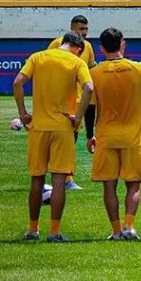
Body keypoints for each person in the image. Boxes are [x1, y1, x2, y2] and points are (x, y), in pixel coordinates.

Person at [13, 32, 94, 243]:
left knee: (36, 180)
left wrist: (23, 113)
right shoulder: (76, 62)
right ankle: (54, 232)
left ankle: (33, 230)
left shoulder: (38, 57)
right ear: (78, 49)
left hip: (38, 127)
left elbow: (18, 82)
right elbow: (89, 88)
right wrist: (78, 116)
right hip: (63, 128)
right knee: (59, 181)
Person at [86, 28, 141, 240]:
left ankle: (116, 230)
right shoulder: (139, 68)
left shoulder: (94, 73)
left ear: (101, 48)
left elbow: (90, 108)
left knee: (109, 185)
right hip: (132, 137)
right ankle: (129, 226)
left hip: (105, 136)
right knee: (133, 184)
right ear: (122, 44)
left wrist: (89, 135)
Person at [48, 14, 98, 191]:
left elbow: (91, 71)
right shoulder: (56, 44)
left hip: (78, 101)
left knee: (71, 141)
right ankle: (66, 178)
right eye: (80, 29)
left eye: (86, 29)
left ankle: (64, 177)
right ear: (72, 28)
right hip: (59, 101)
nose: (84, 33)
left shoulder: (88, 47)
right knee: (62, 141)